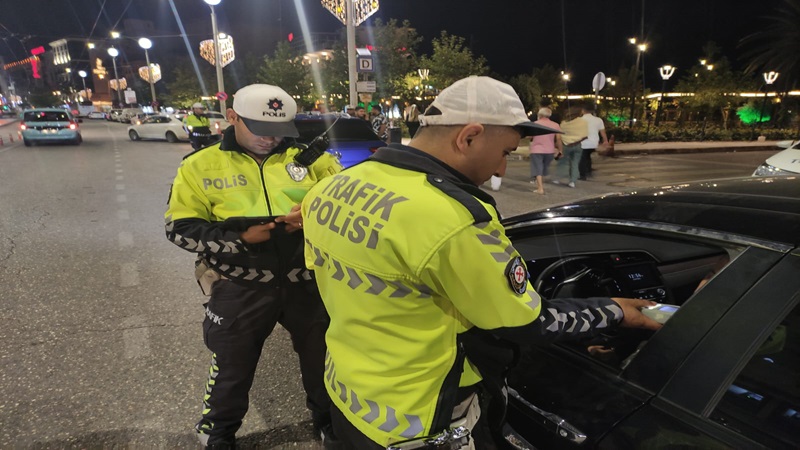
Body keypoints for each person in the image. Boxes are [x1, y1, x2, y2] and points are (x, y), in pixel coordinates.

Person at [300, 76, 661, 449]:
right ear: (468, 137)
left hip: (348, 395)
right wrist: (615, 310)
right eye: (505, 152)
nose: (502, 170)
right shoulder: (452, 217)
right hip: (419, 422)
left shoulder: (335, 185)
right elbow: (524, 321)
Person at [165, 84, 343, 449]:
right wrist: (242, 237)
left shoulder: (313, 161)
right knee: (231, 367)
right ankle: (218, 432)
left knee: (322, 362)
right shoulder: (199, 165)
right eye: (261, 130)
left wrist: (314, 219)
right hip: (240, 285)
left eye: (281, 130)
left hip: (307, 283)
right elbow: (179, 230)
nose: (272, 139)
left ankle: (327, 422)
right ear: (232, 118)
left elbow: (345, 211)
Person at [529, 107, 563, 194]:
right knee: (543, 168)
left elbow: (531, 137)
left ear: (539, 114)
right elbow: (558, 139)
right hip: (549, 150)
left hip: (536, 149)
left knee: (538, 168)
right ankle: (540, 183)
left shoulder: (535, 124)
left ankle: (540, 188)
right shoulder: (555, 125)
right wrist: (560, 150)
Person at [553, 106, 588, 188]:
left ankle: (558, 178)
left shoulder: (563, 123)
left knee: (562, 162)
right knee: (575, 163)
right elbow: (585, 135)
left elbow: (560, 135)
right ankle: (572, 181)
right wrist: (577, 141)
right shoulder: (583, 122)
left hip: (565, 144)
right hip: (578, 145)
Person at [579, 103, 608, 180]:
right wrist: (605, 141)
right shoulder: (598, 120)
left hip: (583, 142)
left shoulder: (579, 120)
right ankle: (588, 171)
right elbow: (602, 132)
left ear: (583, 110)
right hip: (594, 142)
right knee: (587, 156)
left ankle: (582, 175)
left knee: (582, 158)